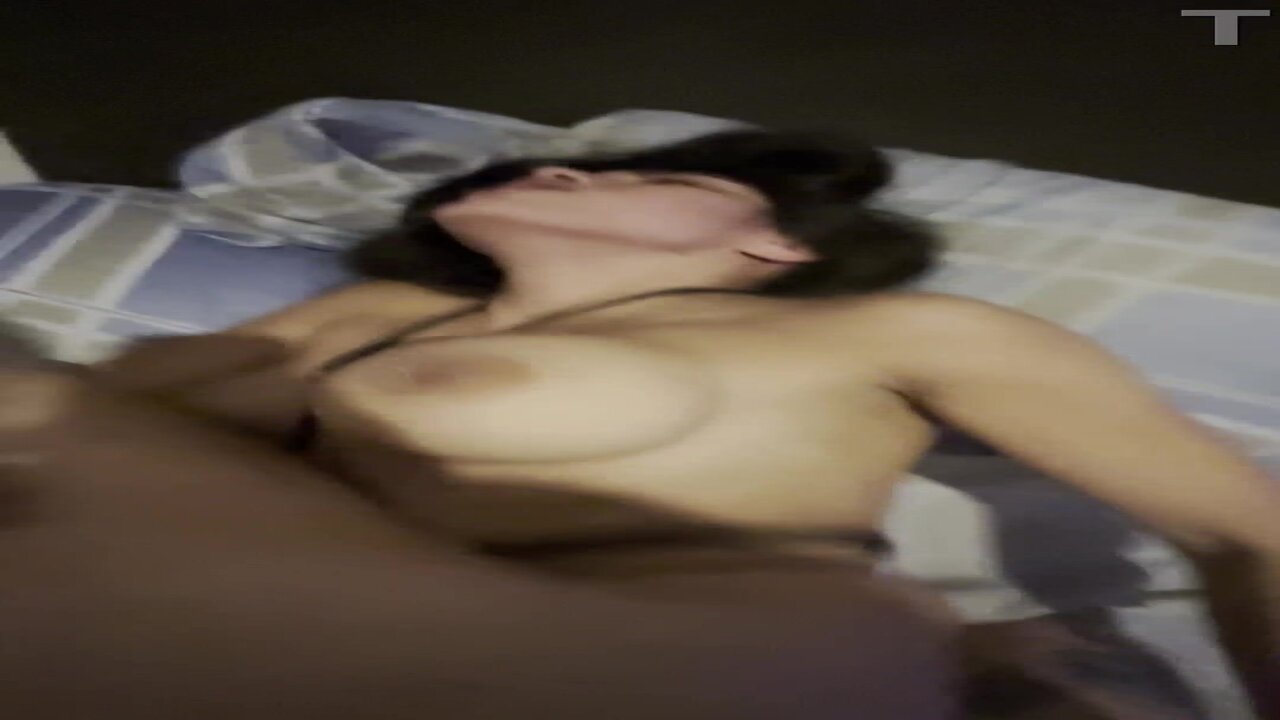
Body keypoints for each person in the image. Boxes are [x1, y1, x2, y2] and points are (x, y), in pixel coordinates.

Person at [33, 130, 1280, 717]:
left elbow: (1246, 534)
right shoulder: (368, 317)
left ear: (775, 247)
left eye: (659, 174)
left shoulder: (890, 332)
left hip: (674, 658)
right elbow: (89, 440)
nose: (572, 168)